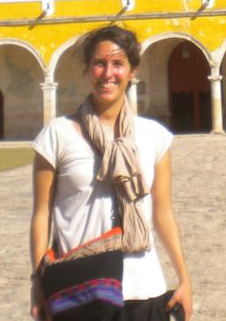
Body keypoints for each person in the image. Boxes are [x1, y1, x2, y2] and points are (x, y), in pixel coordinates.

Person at [30, 26, 194, 320]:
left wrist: (184, 278)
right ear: (88, 69)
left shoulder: (154, 136)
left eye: (118, 64)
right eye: (99, 63)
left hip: (143, 287)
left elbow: (163, 213)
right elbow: (42, 214)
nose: (108, 73)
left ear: (133, 72)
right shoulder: (57, 135)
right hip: (79, 291)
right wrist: (37, 283)